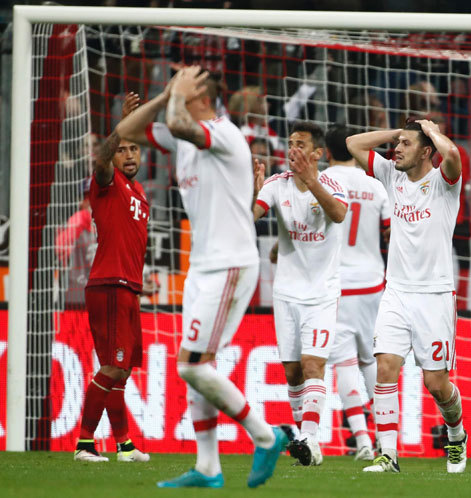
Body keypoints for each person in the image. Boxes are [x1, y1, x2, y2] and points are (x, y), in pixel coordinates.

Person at [117, 66, 287, 489]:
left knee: (190, 366)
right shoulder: (181, 134)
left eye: (181, 88)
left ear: (202, 97)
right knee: (198, 365)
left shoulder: (224, 133)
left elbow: (176, 122)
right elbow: (125, 129)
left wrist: (174, 98)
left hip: (230, 263)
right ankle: (208, 467)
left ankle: (267, 435)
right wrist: (164, 96)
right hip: (202, 267)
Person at [345, 119, 467, 474]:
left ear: (427, 151)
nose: (395, 150)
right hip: (396, 290)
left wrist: (433, 133)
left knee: (436, 384)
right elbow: (354, 142)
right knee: (385, 367)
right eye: (397, 145)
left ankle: (456, 435)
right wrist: (396, 133)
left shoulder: (444, 184)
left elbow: (453, 154)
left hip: (434, 295)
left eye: (406, 145)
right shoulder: (391, 176)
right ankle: (388, 456)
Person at [251, 121, 348, 466]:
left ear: (317, 154)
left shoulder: (333, 185)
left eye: (300, 144)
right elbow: (251, 215)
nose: (293, 150)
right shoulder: (277, 185)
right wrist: (251, 191)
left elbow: (337, 214)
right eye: (290, 143)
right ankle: (308, 444)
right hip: (286, 294)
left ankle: (309, 438)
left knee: (312, 365)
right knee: (292, 372)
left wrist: (311, 182)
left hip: (322, 295)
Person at [74, 92, 151, 464]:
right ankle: (84, 444)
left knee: (123, 369)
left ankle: (123, 445)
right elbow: (101, 159)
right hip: (108, 284)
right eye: (124, 149)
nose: (130, 155)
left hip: (129, 287)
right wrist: (119, 127)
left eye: (134, 149)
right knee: (113, 366)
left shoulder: (140, 192)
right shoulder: (107, 182)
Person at [324, 123, 391, 462]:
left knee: (344, 362)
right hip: (373, 284)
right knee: (370, 360)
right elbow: (391, 234)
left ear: (324, 151)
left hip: (336, 284)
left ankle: (362, 440)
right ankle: (385, 438)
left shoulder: (321, 182)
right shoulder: (376, 187)